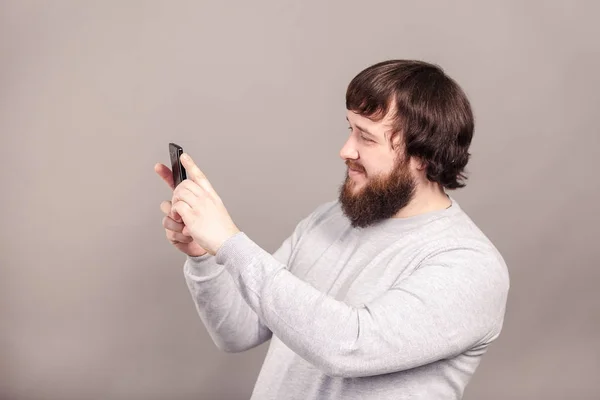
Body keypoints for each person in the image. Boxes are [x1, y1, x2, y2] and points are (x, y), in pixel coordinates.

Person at [154, 59, 510, 400]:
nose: (345, 150)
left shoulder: (470, 266)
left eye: (366, 138)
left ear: (423, 156)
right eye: (349, 129)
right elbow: (239, 330)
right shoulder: (330, 219)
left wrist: (230, 242)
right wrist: (204, 255)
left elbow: (348, 347)